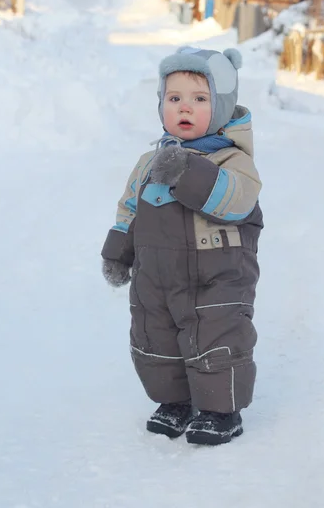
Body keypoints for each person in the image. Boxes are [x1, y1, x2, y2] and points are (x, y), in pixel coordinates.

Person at [101, 46, 263, 446]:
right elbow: (129, 208)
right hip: (156, 274)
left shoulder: (233, 159)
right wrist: (119, 251)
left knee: (217, 335)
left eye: (200, 98)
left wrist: (188, 172)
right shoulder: (148, 161)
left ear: (222, 106)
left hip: (217, 275)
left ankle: (220, 410)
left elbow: (236, 200)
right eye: (174, 99)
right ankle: (174, 401)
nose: (184, 107)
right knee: (155, 336)